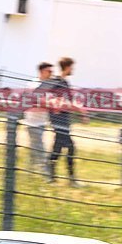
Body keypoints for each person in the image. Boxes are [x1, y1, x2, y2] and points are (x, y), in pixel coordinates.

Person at [47, 57, 87, 186]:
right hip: (58, 120)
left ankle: (51, 176)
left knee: (58, 147)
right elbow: (54, 99)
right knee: (70, 147)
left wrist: (81, 110)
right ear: (67, 67)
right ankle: (71, 179)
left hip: (64, 120)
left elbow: (68, 101)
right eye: (72, 67)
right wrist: (78, 109)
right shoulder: (57, 81)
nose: (73, 70)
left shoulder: (65, 82)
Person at [23, 62, 53, 173]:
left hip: (41, 121)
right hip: (33, 123)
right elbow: (37, 100)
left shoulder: (48, 85)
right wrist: (51, 103)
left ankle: (29, 171)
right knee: (40, 149)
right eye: (49, 71)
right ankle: (46, 174)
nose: (51, 74)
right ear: (42, 71)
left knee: (34, 148)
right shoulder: (33, 85)